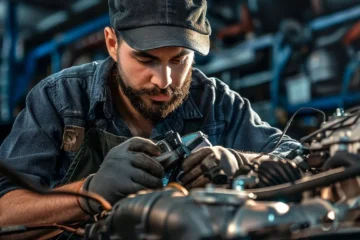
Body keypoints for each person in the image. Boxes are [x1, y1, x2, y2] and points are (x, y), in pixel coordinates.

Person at [0, 0, 300, 238]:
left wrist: (242, 161)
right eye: (146, 59)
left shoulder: (215, 102)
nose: (165, 81)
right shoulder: (60, 98)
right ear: (112, 44)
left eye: (180, 59)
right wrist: (88, 193)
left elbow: (301, 157)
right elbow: (5, 213)